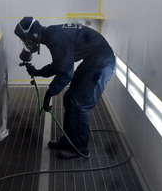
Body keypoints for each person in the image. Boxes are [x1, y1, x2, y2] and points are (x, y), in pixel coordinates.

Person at [14, 17, 116, 159]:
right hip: (93, 61)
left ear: (33, 35)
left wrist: (49, 94)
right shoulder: (52, 34)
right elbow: (59, 65)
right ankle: (68, 141)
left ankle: (80, 148)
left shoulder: (55, 38)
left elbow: (66, 73)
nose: (25, 43)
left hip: (101, 63)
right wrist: (38, 72)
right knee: (69, 98)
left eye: (24, 39)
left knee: (79, 104)